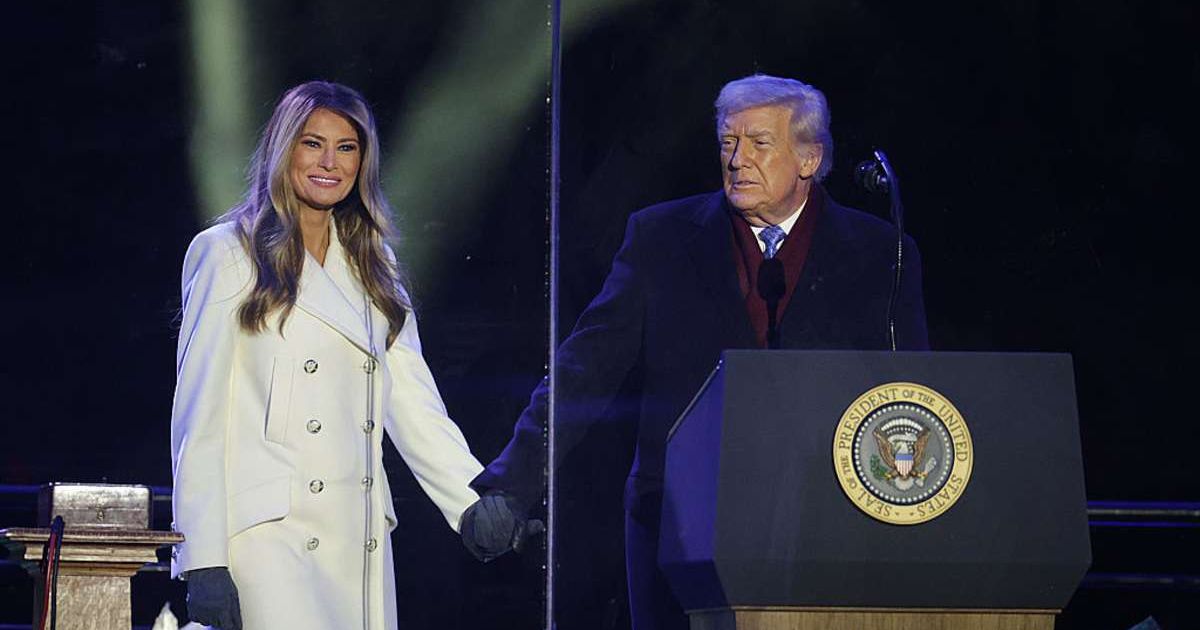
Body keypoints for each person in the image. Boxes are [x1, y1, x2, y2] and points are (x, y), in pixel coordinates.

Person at [469, 74, 930, 629]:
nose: (737, 160)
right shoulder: (660, 238)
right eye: (728, 142)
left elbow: (912, 398)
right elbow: (583, 368)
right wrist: (513, 483)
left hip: (825, 528)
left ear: (809, 158)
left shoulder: (882, 255)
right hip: (680, 526)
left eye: (759, 143)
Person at [170, 81, 519, 630]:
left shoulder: (373, 264)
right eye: (313, 144)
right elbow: (200, 419)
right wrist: (202, 558)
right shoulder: (227, 253)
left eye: (347, 147)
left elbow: (412, 400)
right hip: (269, 541)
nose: (330, 162)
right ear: (283, 150)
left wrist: (470, 500)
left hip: (356, 538)